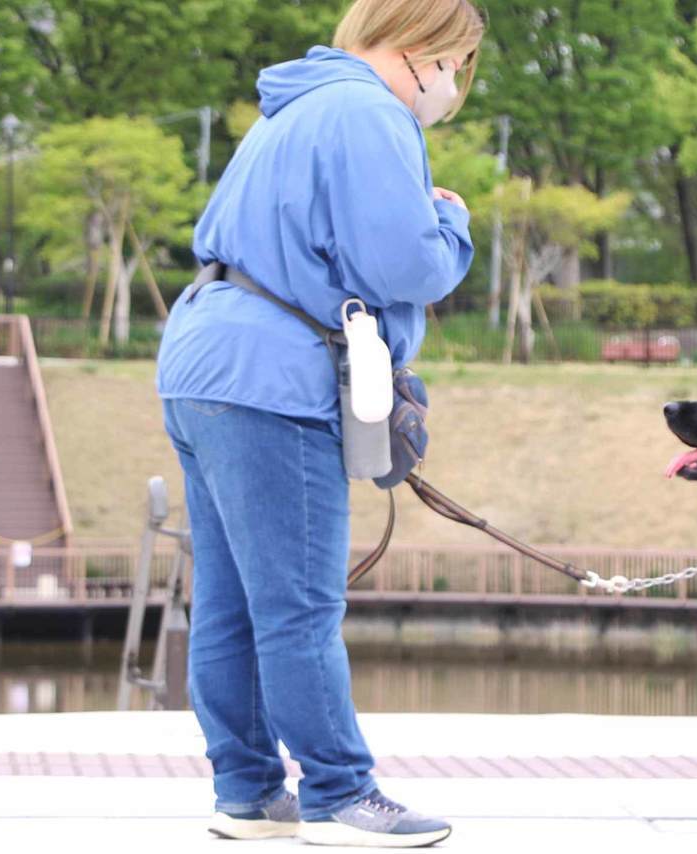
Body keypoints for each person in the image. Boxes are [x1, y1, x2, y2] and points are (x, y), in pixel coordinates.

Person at [154, 0, 483, 847]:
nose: (453, 86)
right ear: (421, 52)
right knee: (298, 604)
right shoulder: (370, 114)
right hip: (274, 378)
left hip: (203, 363)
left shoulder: (295, 107)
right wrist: (450, 221)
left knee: (229, 601)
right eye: (456, 65)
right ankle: (341, 793)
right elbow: (405, 264)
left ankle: (249, 793)